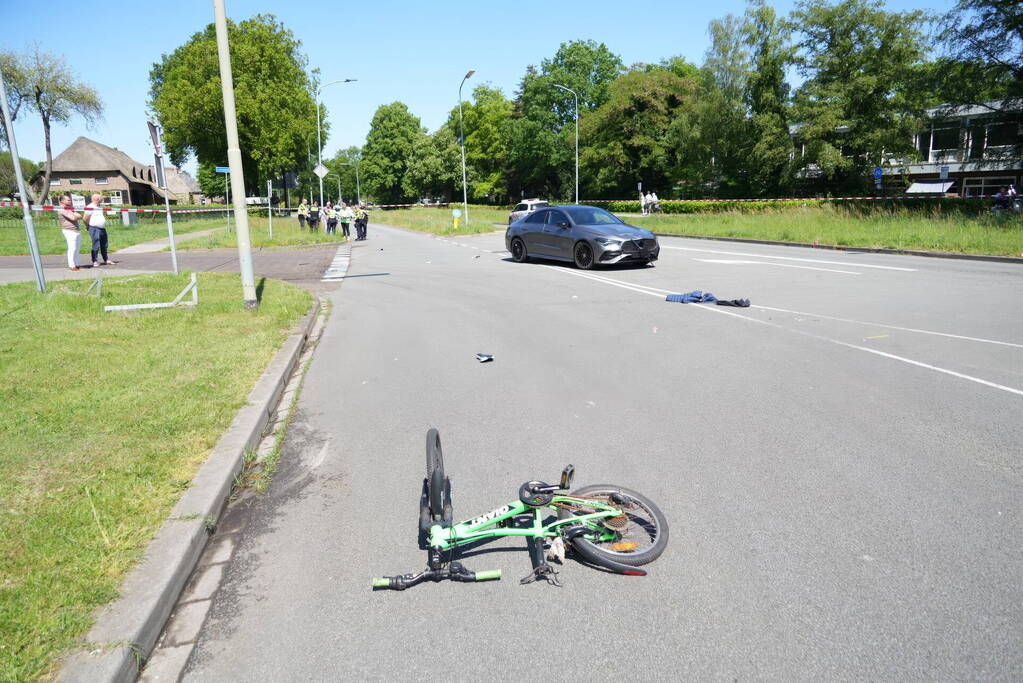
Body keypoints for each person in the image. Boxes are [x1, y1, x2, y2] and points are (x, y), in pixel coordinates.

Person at [83, 193, 115, 267]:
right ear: (97, 199)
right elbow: (85, 218)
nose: (102, 199)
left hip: (102, 228)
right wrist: (88, 226)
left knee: (104, 244)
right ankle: (95, 261)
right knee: (96, 244)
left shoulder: (99, 206)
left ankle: (106, 259)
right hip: (94, 228)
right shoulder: (90, 207)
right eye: (101, 198)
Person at [57, 194, 83, 271]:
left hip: (76, 230)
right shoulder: (62, 209)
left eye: (70, 200)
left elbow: (79, 215)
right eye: (68, 200)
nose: (70, 201)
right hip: (69, 231)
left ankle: (77, 264)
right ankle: (72, 265)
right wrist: (75, 215)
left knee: (77, 249)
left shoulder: (70, 209)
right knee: (72, 248)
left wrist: (76, 215)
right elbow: (73, 217)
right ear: (62, 201)